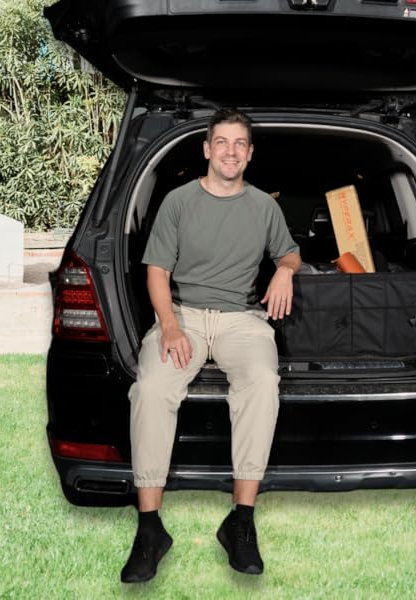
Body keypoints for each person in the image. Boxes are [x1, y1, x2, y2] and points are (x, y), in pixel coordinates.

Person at [121, 109, 300, 583]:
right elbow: (156, 272)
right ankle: (149, 529)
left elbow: (290, 252)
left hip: (242, 318)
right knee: (152, 388)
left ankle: (241, 521)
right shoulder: (178, 202)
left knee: (262, 382)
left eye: (240, 144)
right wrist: (170, 327)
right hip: (183, 316)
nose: (230, 152)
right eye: (222, 142)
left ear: (250, 153)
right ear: (207, 149)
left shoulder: (263, 206)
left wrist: (285, 270)